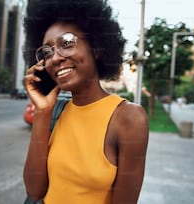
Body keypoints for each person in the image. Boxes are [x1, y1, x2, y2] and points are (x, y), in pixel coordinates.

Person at [23, 0, 149, 203]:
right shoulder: (55, 110)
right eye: (47, 52)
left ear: (97, 47)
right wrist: (42, 112)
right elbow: (34, 190)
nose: (54, 59)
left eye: (66, 44)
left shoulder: (128, 118)